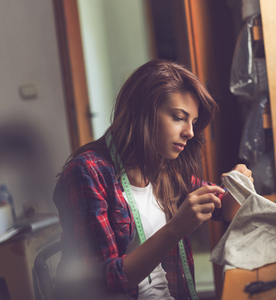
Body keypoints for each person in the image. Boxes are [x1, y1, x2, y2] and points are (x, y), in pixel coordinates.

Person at [53, 59, 253, 299]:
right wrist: (175, 229)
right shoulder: (86, 172)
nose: (190, 132)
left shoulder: (161, 166)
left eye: (194, 122)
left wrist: (239, 185)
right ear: (142, 113)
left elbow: (226, 210)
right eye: (179, 117)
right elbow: (108, 280)